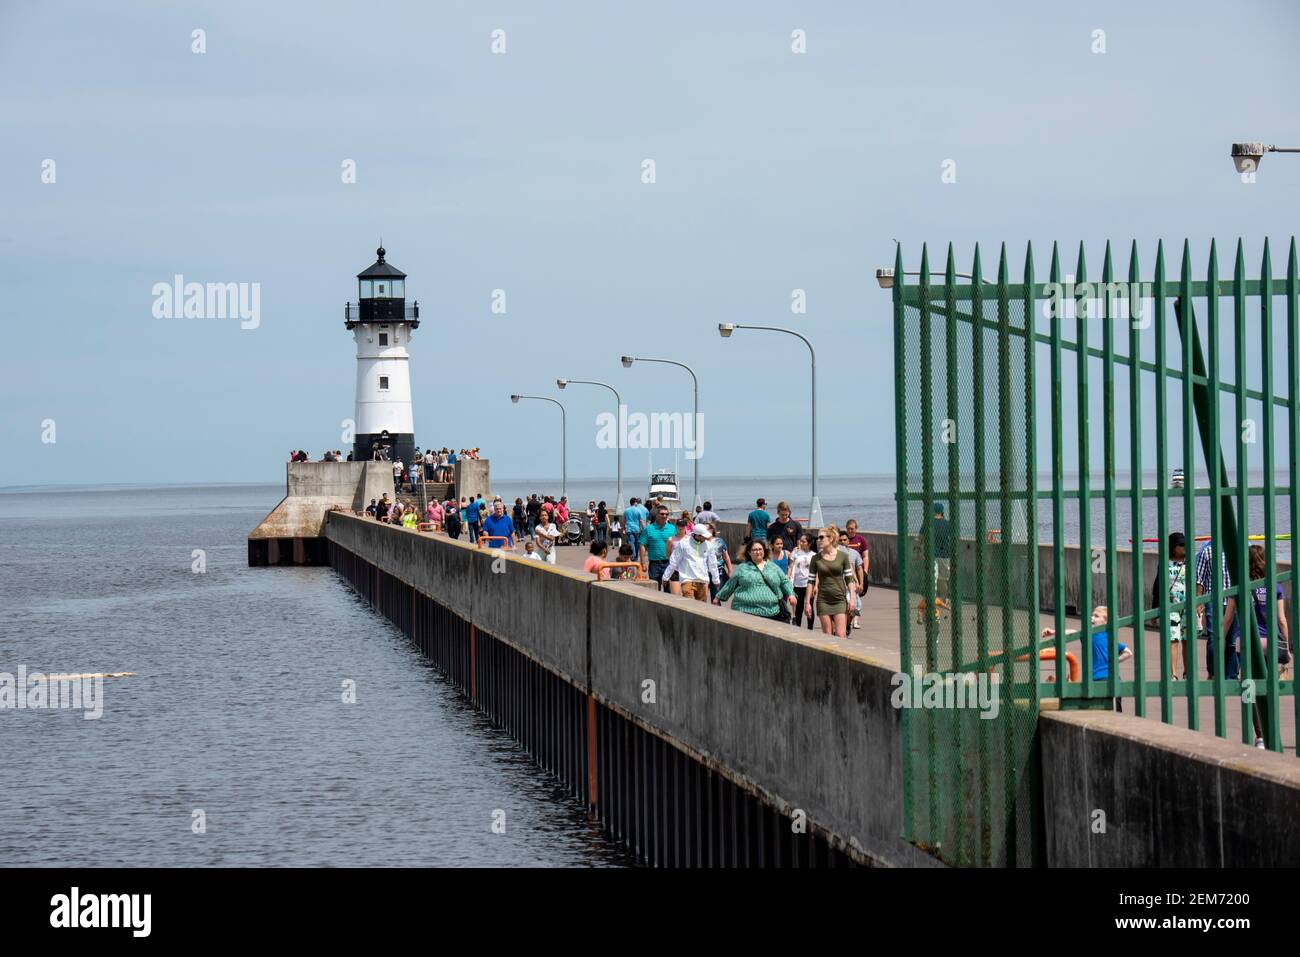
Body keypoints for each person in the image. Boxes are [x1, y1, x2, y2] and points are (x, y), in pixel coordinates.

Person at [1042, 606, 1131, 711]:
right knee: (1100, 710)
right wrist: (1054, 632)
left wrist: (1114, 661)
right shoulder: (1089, 634)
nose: (1092, 618)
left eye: (1096, 616)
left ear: (1106, 622)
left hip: (1109, 679)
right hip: (1093, 680)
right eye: (1092, 615)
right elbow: (1074, 632)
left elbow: (1128, 652)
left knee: (1114, 711)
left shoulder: (1108, 637)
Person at [716, 539, 796, 621]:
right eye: (754, 550)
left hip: (771, 612)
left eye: (760, 549)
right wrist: (717, 598)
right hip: (744, 611)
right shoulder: (742, 568)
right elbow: (730, 584)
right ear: (749, 552)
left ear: (764, 551)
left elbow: (784, 581)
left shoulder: (773, 567)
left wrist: (791, 594)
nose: (758, 552)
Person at [1195, 539, 1240, 679]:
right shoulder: (1206, 551)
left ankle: (1231, 674)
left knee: (1233, 640)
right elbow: (1199, 578)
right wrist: (1199, 600)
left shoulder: (1239, 548)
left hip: (1235, 600)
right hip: (1213, 601)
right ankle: (1213, 672)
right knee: (1215, 638)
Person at [1247, 544, 1292, 681]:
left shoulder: (1242, 585)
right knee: (1269, 679)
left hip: (1247, 640)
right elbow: (1281, 620)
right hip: (1270, 640)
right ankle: (1268, 701)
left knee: (1249, 680)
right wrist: (1286, 648)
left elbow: (1229, 617)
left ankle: (1250, 701)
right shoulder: (1274, 585)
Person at [1152, 532, 1189, 679]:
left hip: (1189, 607)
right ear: (1174, 548)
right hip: (1170, 607)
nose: (1185, 547)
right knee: (1173, 640)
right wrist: (1155, 609)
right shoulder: (1165, 564)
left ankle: (1187, 672)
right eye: (1182, 545)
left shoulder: (1190, 562)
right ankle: (1173, 674)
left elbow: (1198, 583)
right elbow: (1158, 587)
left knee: (1187, 640)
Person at [807, 526, 854, 637]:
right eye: (818, 538)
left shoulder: (843, 556)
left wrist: (852, 599)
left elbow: (849, 579)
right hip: (823, 600)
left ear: (831, 538)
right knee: (827, 636)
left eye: (821, 537)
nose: (819, 540)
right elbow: (810, 581)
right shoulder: (815, 558)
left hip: (839, 600)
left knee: (840, 635)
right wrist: (807, 602)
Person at [661, 524, 720, 602]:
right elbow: (674, 561)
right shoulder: (684, 544)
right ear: (697, 535)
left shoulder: (708, 545)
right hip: (687, 579)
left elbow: (713, 564)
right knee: (689, 605)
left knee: (701, 607)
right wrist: (666, 577)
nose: (705, 538)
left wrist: (716, 580)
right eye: (703, 536)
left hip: (703, 580)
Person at [640, 505, 675, 590]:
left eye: (667, 514)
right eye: (662, 514)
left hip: (669, 564)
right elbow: (642, 546)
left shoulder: (672, 528)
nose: (664, 516)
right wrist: (643, 563)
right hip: (654, 564)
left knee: (669, 591)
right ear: (656, 515)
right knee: (654, 590)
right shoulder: (648, 529)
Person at [789, 533, 816, 630]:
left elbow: (817, 573)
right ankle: (798, 628)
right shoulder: (795, 553)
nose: (801, 543)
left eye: (803, 541)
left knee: (809, 606)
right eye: (800, 541)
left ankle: (810, 629)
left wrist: (816, 586)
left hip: (809, 584)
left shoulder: (814, 555)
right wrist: (789, 580)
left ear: (809, 543)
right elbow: (791, 567)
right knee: (798, 608)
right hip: (797, 584)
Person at [839, 531, 865, 630]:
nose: (842, 542)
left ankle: (848, 623)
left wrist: (860, 583)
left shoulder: (854, 553)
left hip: (851, 584)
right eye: (840, 540)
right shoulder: (835, 554)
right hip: (840, 584)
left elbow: (857, 569)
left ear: (848, 541)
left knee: (856, 606)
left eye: (844, 540)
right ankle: (843, 626)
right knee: (844, 607)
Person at [844, 519, 870, 596]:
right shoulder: (843, 539)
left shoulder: (861, 539)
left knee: (859, 591)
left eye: (852, 529)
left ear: (856, 529)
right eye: (848, 529)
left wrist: (865, 570)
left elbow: (865, 556)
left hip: (859, 569)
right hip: (847, 570)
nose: (850, 531)